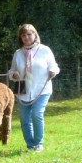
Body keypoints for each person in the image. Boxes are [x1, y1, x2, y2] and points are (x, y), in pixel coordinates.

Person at [9, 24, 60, 152]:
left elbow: (54, 67)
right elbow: (12, 71)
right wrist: (14, 75)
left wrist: (52, 71)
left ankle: (39, 144)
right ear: (20, 37)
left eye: (29, 34)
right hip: (23, 91)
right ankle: (30, 145)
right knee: (24, 119)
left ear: (35, 35)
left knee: (37, 114)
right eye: (23, 35)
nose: (26, 37)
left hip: (42, 89)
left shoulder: (45, 50)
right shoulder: (18, 53)